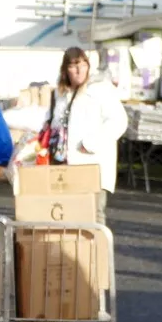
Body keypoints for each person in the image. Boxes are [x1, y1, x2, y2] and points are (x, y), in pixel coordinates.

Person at [43, 47, 129, 223]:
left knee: (94, 216)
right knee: (67, 215)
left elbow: (118, 121)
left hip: (92, 164)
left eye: (83, 65)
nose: (79, 70)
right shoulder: (60, 94)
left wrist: (91, 143)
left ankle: (99, 251)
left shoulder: (100, 89)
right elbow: (53, 123)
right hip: (65, 165)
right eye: (74, 65)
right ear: (65, 69)